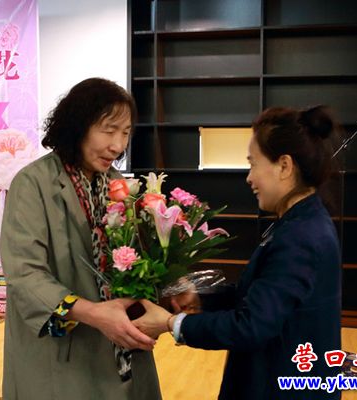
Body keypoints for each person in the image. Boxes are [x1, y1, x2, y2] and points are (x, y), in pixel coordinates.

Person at [133, 106, 342, 399]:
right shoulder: (303, 221)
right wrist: (201, 298)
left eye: (253, 164)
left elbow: (251, 326)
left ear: (284, 166)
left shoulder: (299, 238)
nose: (249, 178)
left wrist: (171, 323)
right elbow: (261, 295)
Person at [0, 78, 161, 399]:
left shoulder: (116, 183)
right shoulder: (34, 183)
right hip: (65, 348)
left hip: (120, 340)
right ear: (78, 126)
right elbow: (25, 273)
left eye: (125, 133)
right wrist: (93, 313)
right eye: (109, 130)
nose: (118, 145)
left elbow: (132, 259)